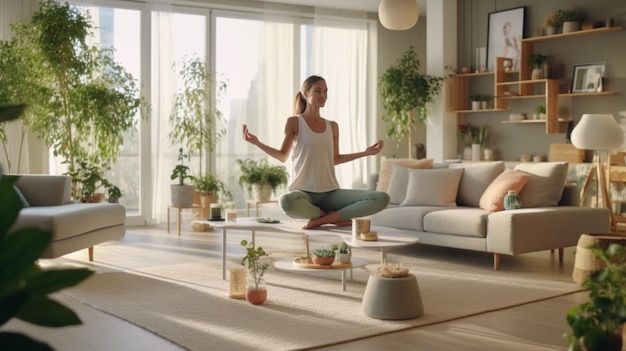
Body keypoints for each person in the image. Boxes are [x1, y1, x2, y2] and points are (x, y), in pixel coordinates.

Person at [242, 75, 390, 229]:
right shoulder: (294, 122)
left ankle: (321, 219)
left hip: (331, 193)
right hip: (303, 195)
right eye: (318, 91)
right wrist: (257, 142)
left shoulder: (332, 126)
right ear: (305, 93)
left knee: (381, 198)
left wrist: (365, 153)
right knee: (286, 201)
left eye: (325, 92)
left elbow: (335, 158)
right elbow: (282, 155)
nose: (323, 96)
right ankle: (330, 216)